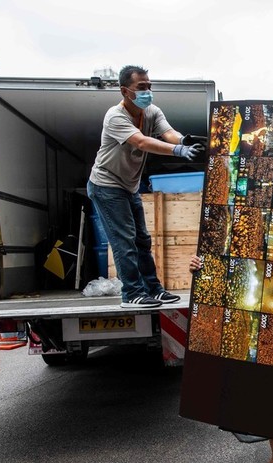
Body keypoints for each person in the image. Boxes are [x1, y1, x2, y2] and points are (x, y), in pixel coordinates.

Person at [88, 65, 205, 309]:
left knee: (142, 239)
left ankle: (153, 289)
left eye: (149, 86)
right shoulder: (115, 116)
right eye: (141, 87)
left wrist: (184, 141)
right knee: (124, 241)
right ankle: (132, 294)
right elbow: (141, 142)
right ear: (125, 91)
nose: (147, 91)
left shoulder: (151, 111)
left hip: (129, 186)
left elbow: (168, 132)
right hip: (106, 185)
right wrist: (178, 151)